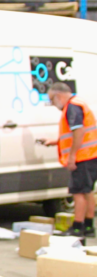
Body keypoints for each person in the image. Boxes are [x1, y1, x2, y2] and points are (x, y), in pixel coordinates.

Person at [39, 82, 97, 238]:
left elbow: (79, 130)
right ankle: (89, 226)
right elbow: (74, 135)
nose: (53, 104)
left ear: (58, 96)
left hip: (82, 157)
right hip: (90, 155)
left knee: (78, 192)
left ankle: (78, 227)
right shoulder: (78, 103)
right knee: (87, 191)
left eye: (52, 100)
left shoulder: (72, 107)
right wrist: (55, 141)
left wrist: (72, 156)